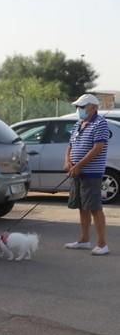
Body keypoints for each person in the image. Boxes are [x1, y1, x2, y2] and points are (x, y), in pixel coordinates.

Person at [63, 93, 110, 256]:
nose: (79, 110)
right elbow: (70, 145)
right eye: (78, 107)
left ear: (93, 108)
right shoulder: (78, 124)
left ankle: (102, 244)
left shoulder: (100, 123)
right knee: (82, 207)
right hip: (77, 172)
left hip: (91, 173)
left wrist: (80, 165)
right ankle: (84, 240)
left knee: (94, 207)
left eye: (82, 107)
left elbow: (97, 148)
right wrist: (68, 161)